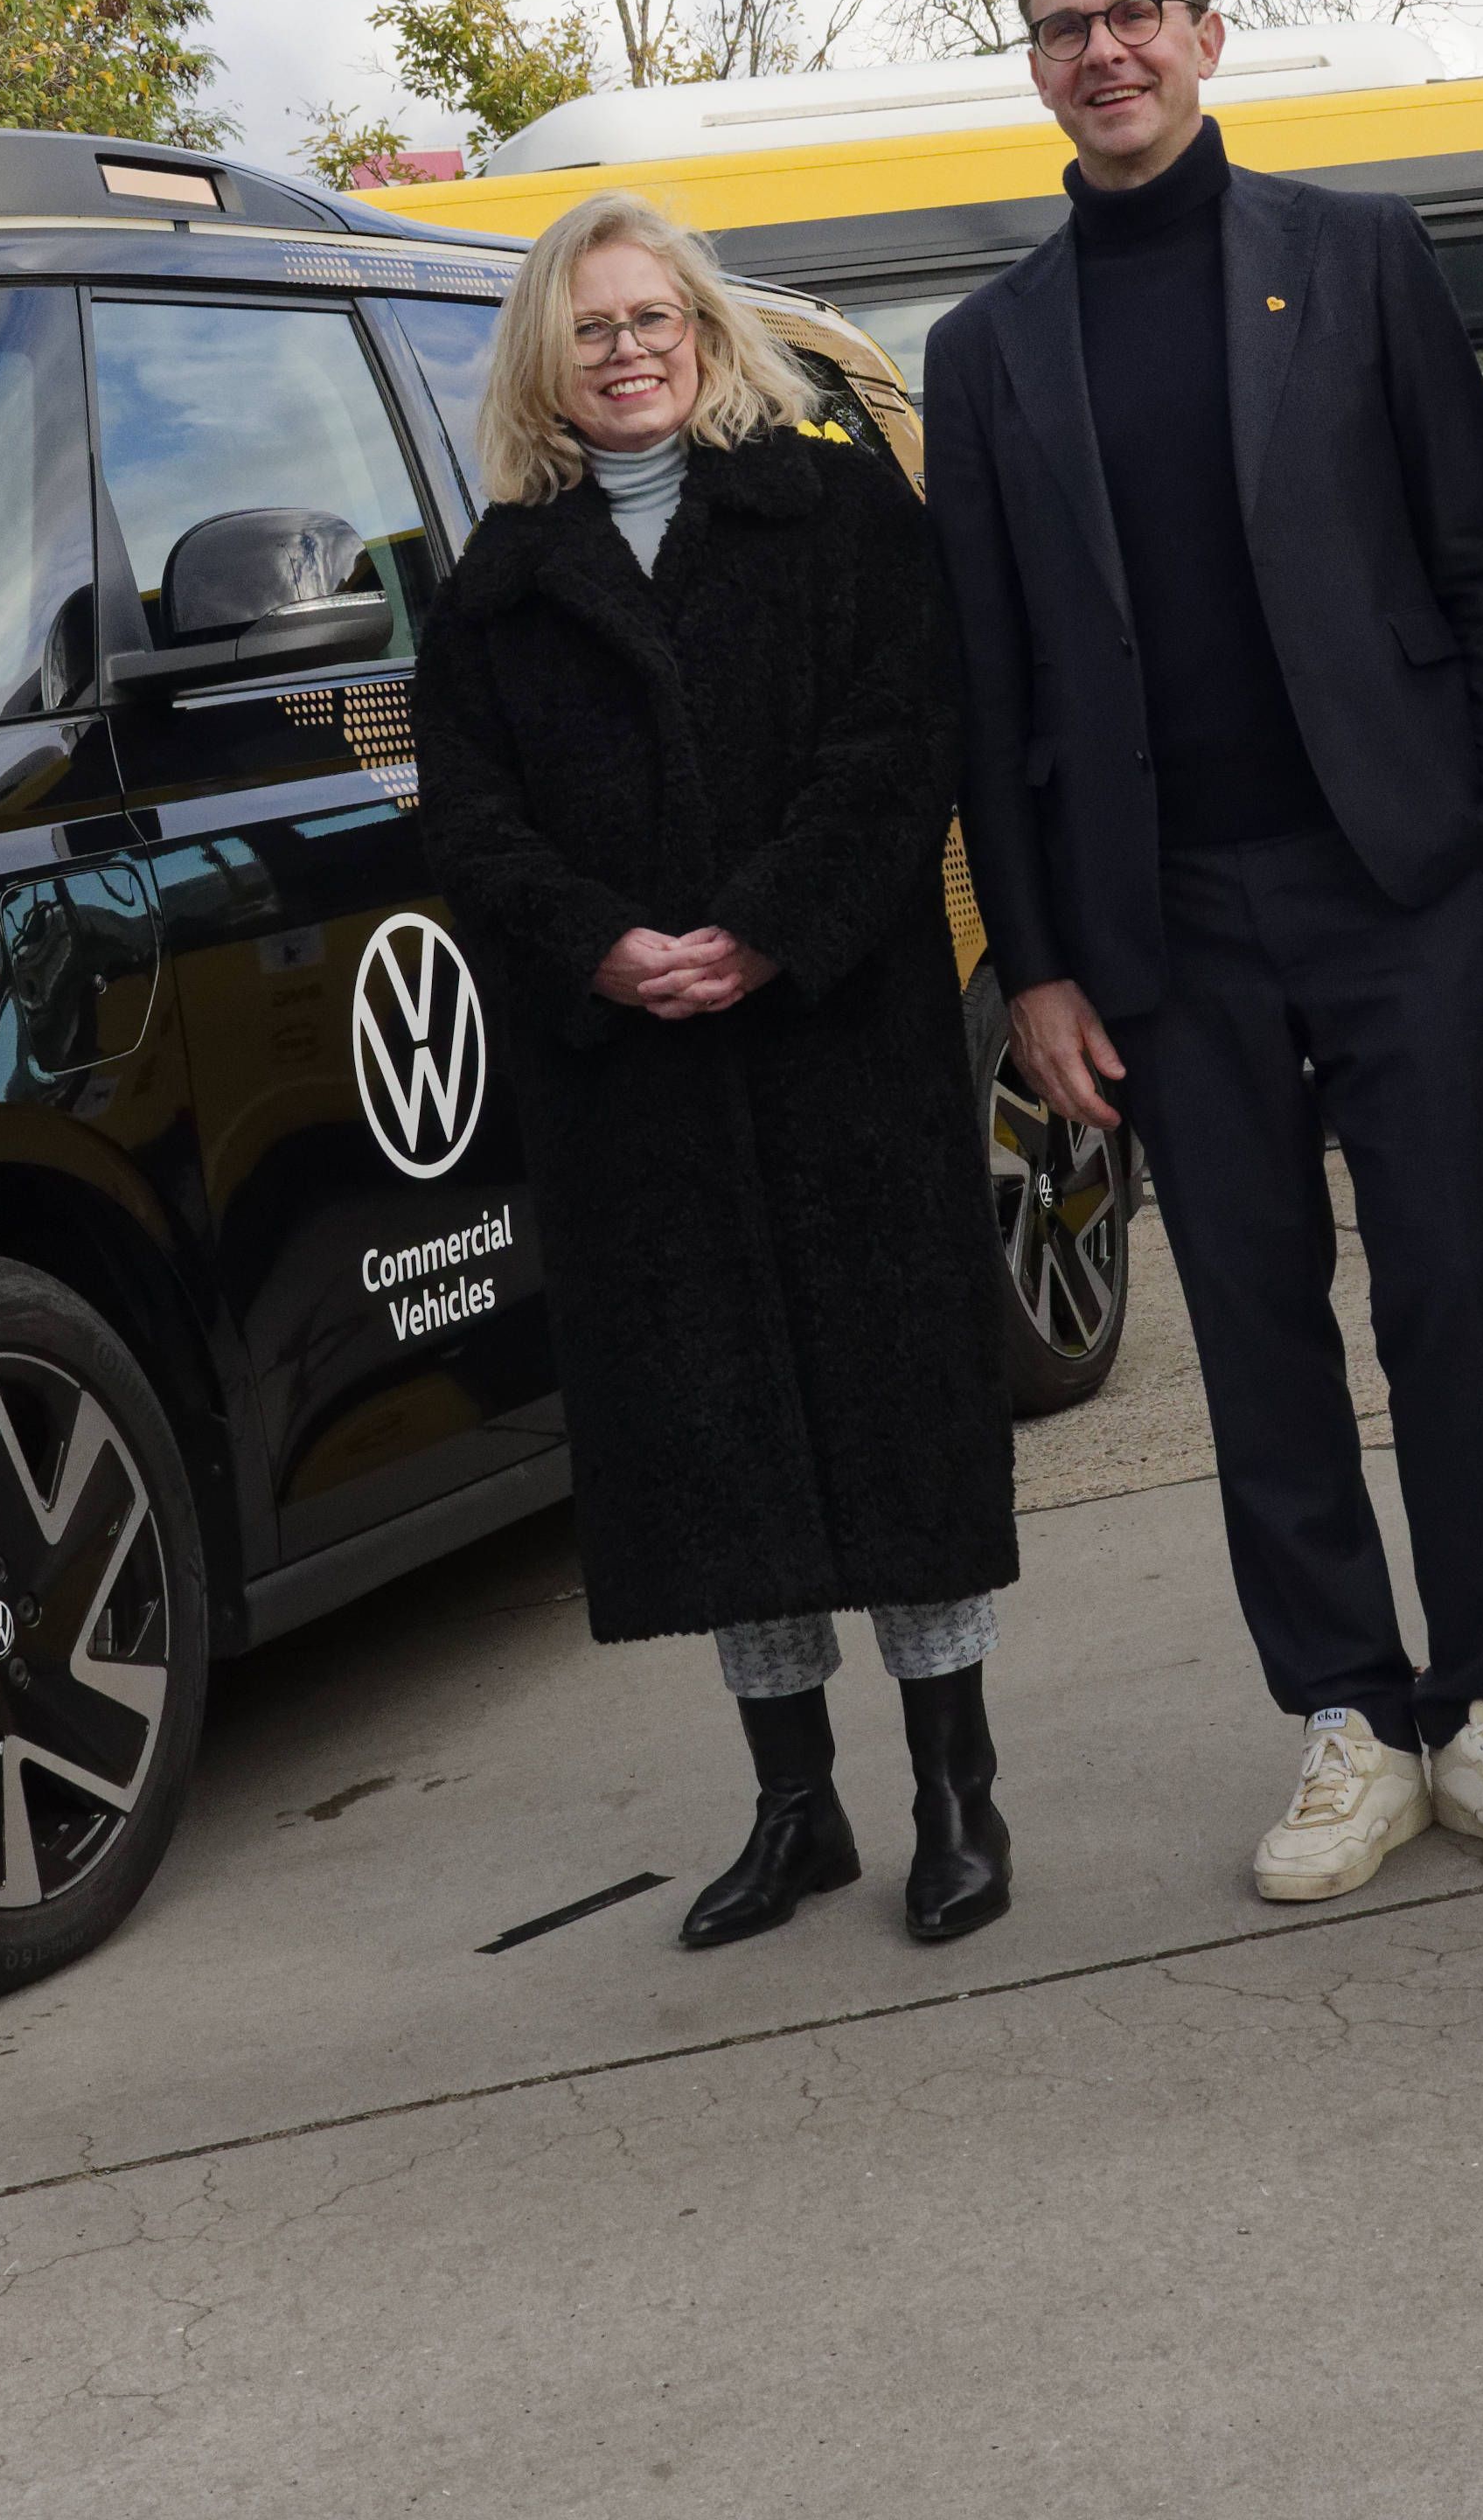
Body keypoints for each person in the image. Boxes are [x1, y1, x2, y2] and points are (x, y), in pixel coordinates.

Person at [928, 0, 1483, 1904]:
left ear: (1206, 34)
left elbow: (1474, 552)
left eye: (1137, 12)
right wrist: (1039, 959)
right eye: (1068, 27)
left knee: (1450, 1298)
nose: (1107, 50)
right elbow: (990, 684)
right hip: (1161, 927)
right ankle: (1346, 1712)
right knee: (1252, 1320)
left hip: (1399, 873)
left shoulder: (1361, 258)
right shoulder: (985, 355)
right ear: (1038, 69)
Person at [409, 189, 1028, 1951]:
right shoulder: (502, 585)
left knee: (892, 1423)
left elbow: (905, 738)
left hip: (839, 1046)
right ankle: (795, 1806)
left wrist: (763, 922)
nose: (624, 348)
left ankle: (955, 1794)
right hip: (642, 1086)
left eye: (650, 315)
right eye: (589, 325)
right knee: (719, 1441)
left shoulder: (833, 503)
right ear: (550, 356)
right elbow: (471, 818)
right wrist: (603, 940)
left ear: (702, 327)